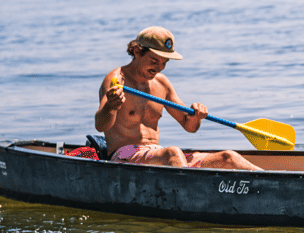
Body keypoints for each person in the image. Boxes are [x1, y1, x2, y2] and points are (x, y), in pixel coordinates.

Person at [95, 26, 261, 170]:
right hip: (123, 158)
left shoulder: (162, 83)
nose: (159, 68)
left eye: (164, 63)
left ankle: (277, 187)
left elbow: (189, 126)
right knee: (173, 152)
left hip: (158, 155)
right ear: (137, 52)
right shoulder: (116, 80)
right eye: (154, 61)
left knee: (228, 157)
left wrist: (197, 117)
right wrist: (111, 106)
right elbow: (100, 125)